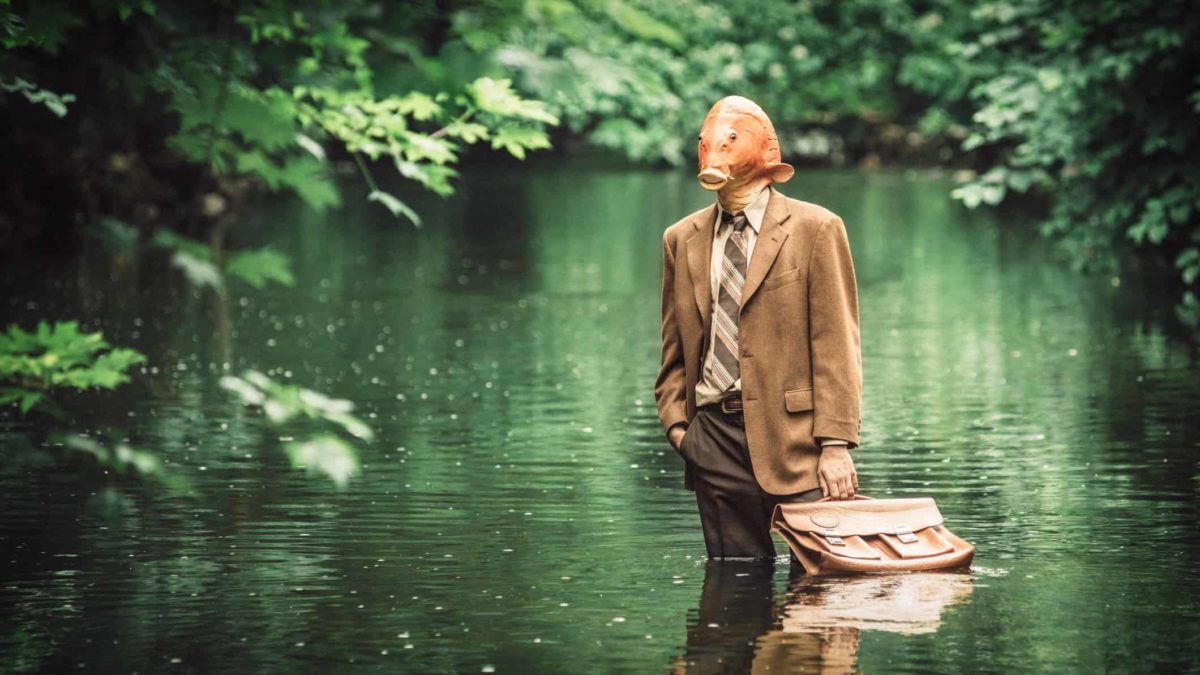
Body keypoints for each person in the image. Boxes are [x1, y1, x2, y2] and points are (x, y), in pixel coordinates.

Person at [654, 95, 862, 561]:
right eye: (706, 143)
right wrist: (681, 432)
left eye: (728, 141)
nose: (713, 153)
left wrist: (835, 445)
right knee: (732, 594)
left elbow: (836, 345)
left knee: (821, 593)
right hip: (712, 442)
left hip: (798, 446)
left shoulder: (817, 228)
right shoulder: (680, 239)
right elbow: (675, 347)